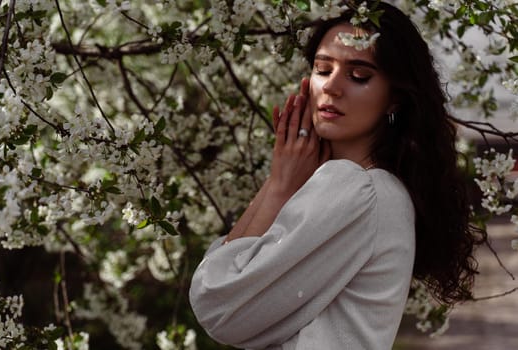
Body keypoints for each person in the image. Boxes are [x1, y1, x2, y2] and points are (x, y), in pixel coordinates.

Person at [189, 2, 484, 349]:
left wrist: (279, 185)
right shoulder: (380, 190)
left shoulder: (358, 189)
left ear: (395, 100)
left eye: (359, 75)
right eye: (322, 69)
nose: (332, 87)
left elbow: (219, 308)